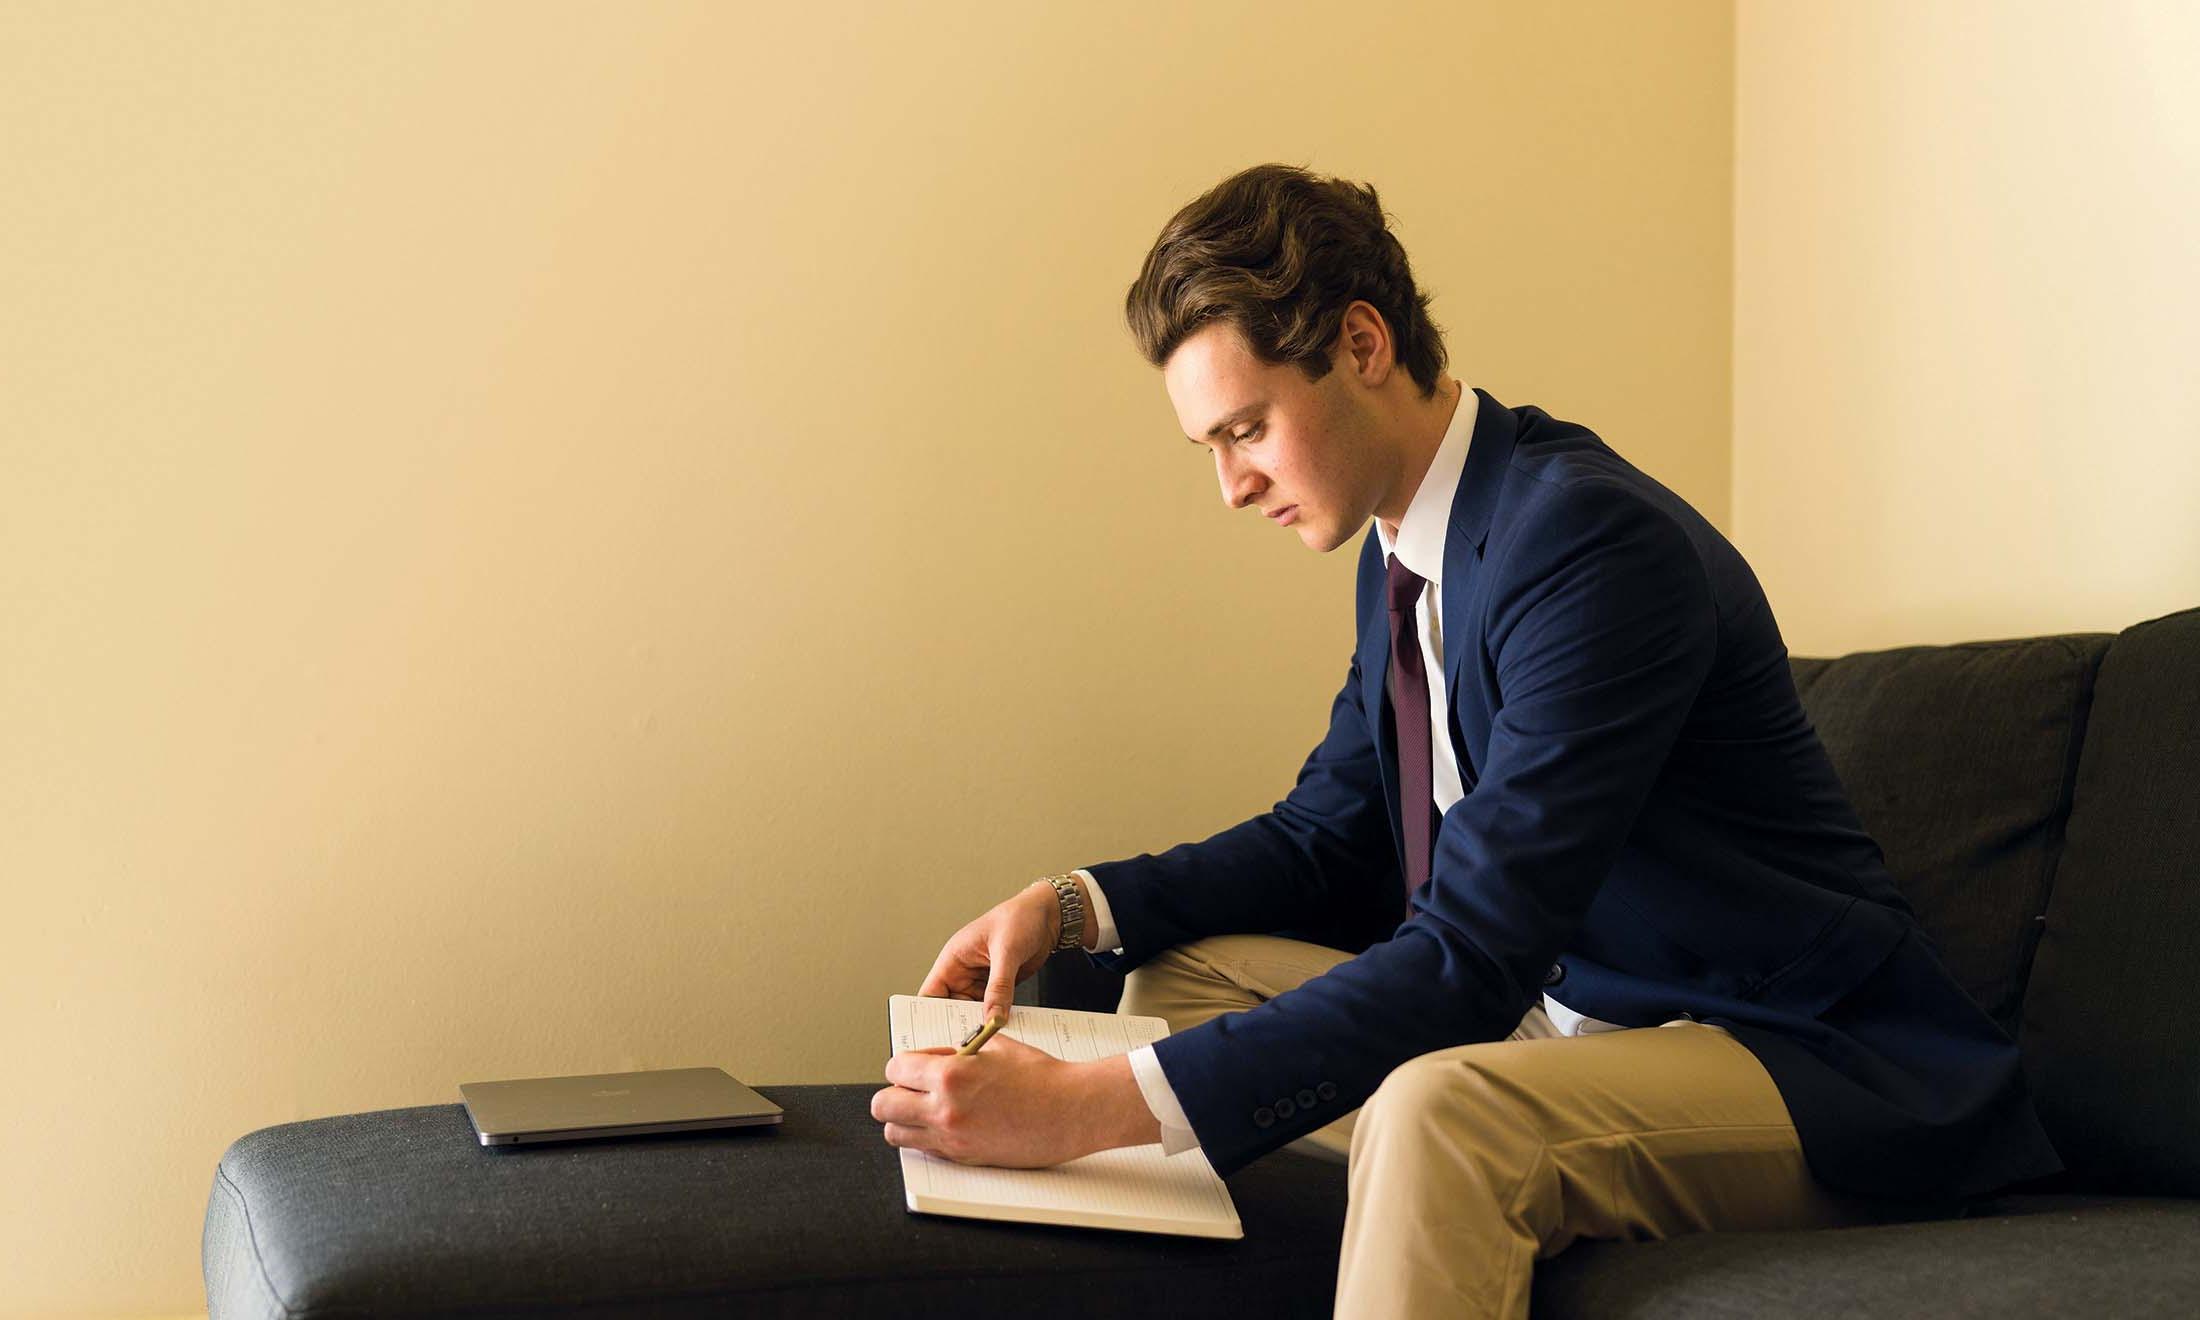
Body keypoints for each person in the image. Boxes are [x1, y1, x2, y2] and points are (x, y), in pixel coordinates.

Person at [869, 163, 2063, 1318]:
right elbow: (1322, 838)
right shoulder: (1404, 548)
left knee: (1441, 1110)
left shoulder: (1587, 545)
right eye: (1211, 448)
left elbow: (1476, 950)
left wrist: (1082, 1110)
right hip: (1568, 1018)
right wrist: (1073, 903)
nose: (1230, 486)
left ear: (1362, 345)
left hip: (1796, 1058)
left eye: (1246, 430)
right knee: (1182, 982)